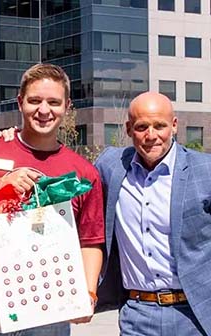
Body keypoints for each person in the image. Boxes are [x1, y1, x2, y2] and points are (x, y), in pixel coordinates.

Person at [0, 63, 104, 336]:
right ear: (20, 102)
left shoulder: (83, 173)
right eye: (35, 100)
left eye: (53, 102)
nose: (44, 110)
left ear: (67, 106)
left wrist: (88, 292)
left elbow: (90, 241)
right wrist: (1, 187)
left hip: (50, 311)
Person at [95, 92, 211, 335]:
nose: (151, 136)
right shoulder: (111, 166)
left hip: (196, 315)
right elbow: (67, 175)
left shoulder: (205, 171)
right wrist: (11, 142)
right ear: (128, 128)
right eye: (141, 127)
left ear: (175, 126)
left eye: (160, 126)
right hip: (137, 315)